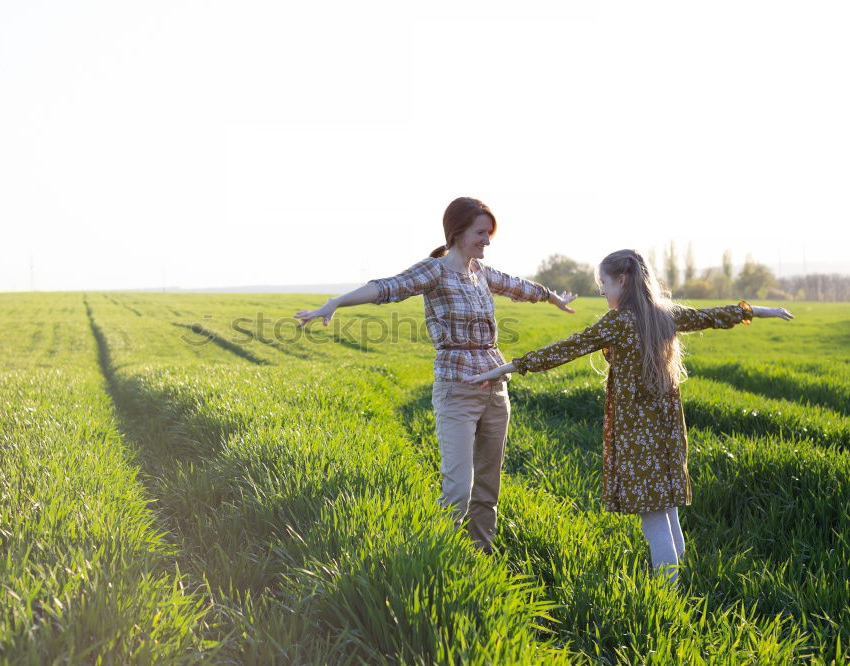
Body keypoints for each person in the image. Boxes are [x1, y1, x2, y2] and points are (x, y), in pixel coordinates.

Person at [462, 249, 793, 582]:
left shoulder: (619, 321)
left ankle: (667, 596)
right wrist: (762, 311)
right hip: (667, 429)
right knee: (667, 511)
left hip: (637, 431)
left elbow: (565, 348)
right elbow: (714, 315)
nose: (602, 290)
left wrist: (505, 368)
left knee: (653, 518)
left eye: (603, 283)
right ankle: (678, 586)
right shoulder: (664, 314)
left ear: (622, 280)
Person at [294, 197, 578, 553]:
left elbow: (519, 286)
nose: (487, 241)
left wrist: (553, 298)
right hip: (457, 391)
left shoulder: (482, 273)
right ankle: (434, 558)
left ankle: (479, 556)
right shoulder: (435, 271)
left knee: (487, 488)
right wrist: (336, 302)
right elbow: (387, 287)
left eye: (489, 233)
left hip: (494, 390)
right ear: (457, 232)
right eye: (480, 233)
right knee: (458, 489)